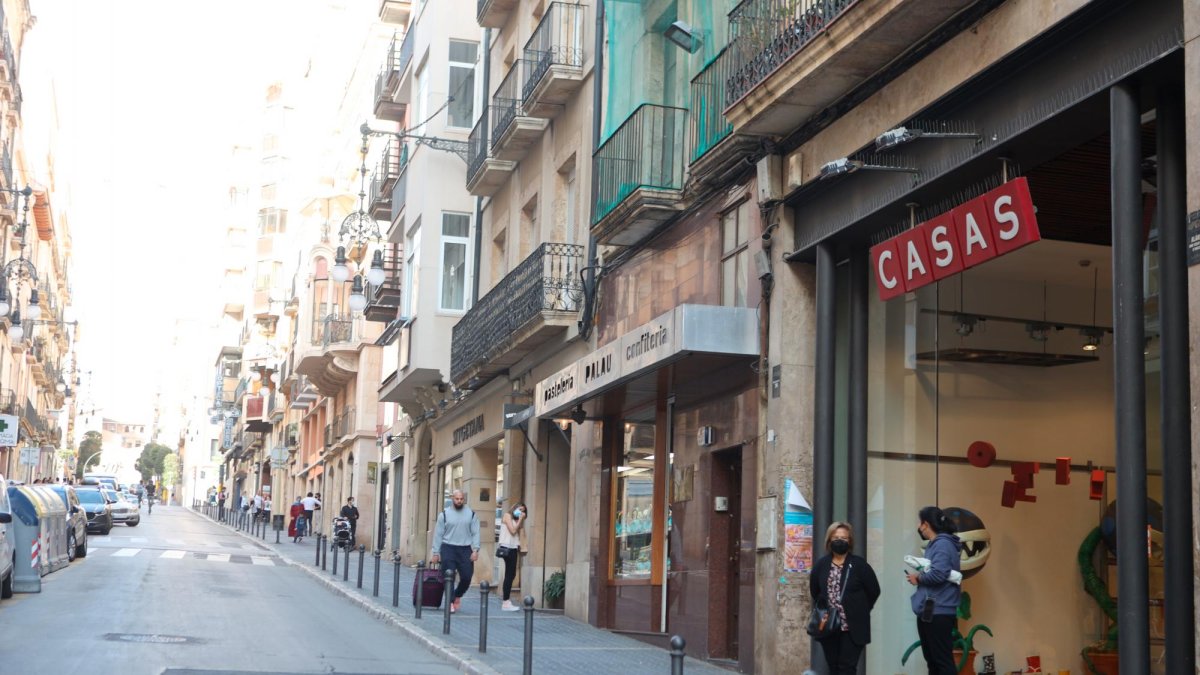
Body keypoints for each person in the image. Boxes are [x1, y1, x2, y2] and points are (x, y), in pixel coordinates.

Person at [810, 522, 880, 674]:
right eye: (836, 537)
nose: (840, 541)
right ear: (829, 540)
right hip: (829, 626)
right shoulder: (821, 565)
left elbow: (874, 590)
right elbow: (815, 591)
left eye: (844, 538)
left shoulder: (859, 565)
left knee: (847, 668)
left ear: (850, 541)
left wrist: (860, 608)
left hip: (853, 627)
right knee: (834, 667)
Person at [907, 506, 962, 675]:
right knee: (933, 661)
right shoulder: (936, 544)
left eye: (920, 522)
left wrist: (919, 578)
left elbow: (939, 573)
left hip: (938, 611)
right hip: (931, 610)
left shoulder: (943, 544)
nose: (918, 526)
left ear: (926, 524)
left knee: (941, 661)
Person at [430, 489, 480, 614]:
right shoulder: (444, 514)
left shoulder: (471, 514)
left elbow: (476, 533)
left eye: (461, 499)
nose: (459, 501)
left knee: (467, 577)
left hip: (465, 549)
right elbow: (438, 534)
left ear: (464, 499)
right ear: (452, 498)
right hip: (448, 548)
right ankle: (450, 602)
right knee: (449, 576)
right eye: (457, 498)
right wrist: (436, 552)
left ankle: (457, 594)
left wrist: (475, 550)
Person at [498, 502, 526, 611]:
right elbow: (513, 531)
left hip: (513, 548)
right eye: (520, 509)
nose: (521, 512)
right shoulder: (507, 515)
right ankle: (505, 602)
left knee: (511, 574)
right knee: (510, 575)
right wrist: (520, 519)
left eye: (523, 511)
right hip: (507, 548)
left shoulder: (515, 519)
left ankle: (506, 601)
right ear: (514, 508)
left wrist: (519, 520)